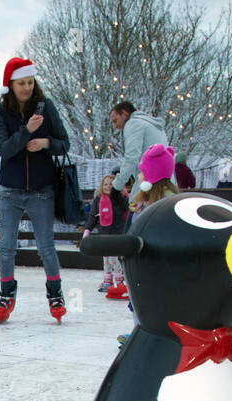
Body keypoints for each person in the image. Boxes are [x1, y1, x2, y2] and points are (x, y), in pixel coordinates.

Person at [0, 56, 72, 323]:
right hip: (10, 190)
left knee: (46, 246)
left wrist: (46, 142)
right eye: (21, 83)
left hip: (41, 189)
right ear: (11, 86)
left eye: (30, 81)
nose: (27, 87)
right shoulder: (1, 114)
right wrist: (26, 131)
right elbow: (5, 150)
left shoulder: (46, 107)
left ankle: (55, 294)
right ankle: (6, 294)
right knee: (6, 247)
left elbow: (64, 144)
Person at [116, 144, 179, 347]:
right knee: (137, 299)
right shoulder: (142, 201)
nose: (140, 176)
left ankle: (158, 333)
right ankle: (139, 331)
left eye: (143, 172)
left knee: (155, 300)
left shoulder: (167, 203)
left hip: (158, 261)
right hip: (139, 260)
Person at [108, 100, 167, 208]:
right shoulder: (155, 127)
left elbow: (131, 157)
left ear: (124, 113)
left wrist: (116, 187)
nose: (115, 126)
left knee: (135, 222)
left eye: (115, 121)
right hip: (165, 186)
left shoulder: (133, 124)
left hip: (148, 187)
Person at [80, 172, 129, 296]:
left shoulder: (119, 199)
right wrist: (87, 230)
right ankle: (107, 280)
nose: (108, 187)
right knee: (106, 259)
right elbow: (93, 217)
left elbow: (126, 211)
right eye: (106, 184)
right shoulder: (98, 200)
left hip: (115, 233)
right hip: (103, 234)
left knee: (113, 257)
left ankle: (119, 279)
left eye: (111, 184)